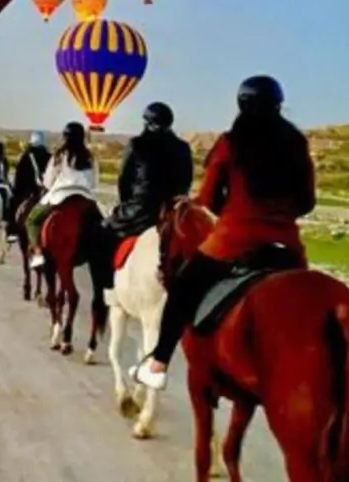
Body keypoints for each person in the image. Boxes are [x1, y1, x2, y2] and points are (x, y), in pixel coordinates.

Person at [130, 75, 316, 391]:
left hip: (235, 240)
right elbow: (307, 202)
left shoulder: (230, 143)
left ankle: (158, 365)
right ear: (279, 104)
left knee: (183, 290)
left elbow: (210, 199)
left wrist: (230, 211)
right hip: (287, 246)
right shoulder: (297, 143)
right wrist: (279, 217)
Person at [102, 102, 194, 250]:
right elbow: (187, 181)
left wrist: (127, 205)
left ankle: (106, 273)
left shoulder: (136, 144)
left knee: (102, 232)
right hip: (172, 210)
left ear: (147, 122)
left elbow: (124, 181)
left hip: (140, 211)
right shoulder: (183, 147)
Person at [25, 122, 99, 269]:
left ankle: (38, 252)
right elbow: (94, 182)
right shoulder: (90, 157)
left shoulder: (58, 155)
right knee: (102, 225)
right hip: (84, 198)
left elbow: (48, 181)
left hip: (60, 196)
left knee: (32, 220)